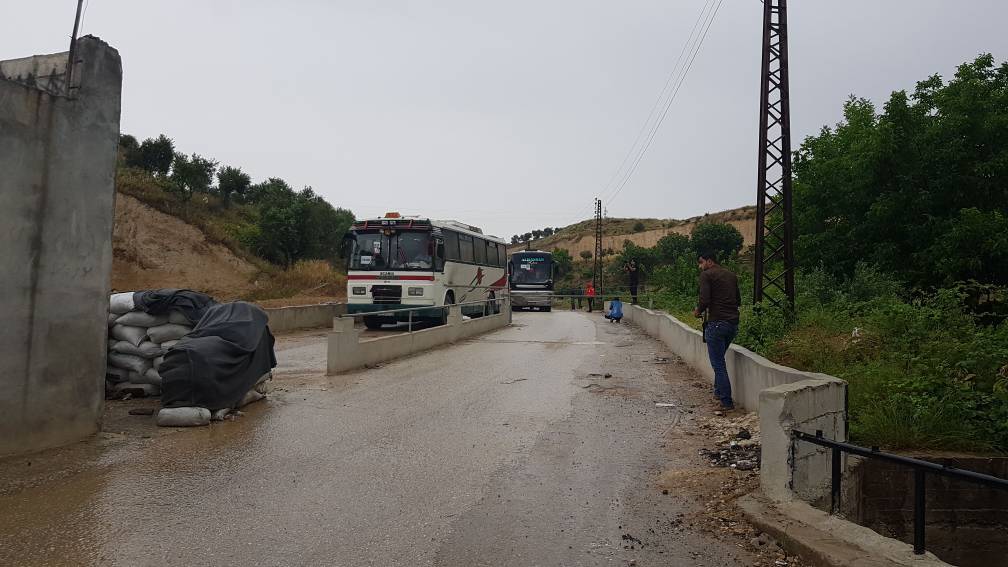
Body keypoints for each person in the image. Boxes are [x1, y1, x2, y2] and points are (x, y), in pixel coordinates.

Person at [692, 251, 741, 410]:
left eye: (701, 262)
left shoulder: (707, 275)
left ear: (709, 261)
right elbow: (738, 300)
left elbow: (704, 299)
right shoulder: (731, 275)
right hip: (732, 324)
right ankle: (718, 393)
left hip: (717, 324)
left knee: (718, 364)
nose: (700, 266)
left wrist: (698, 311)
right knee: (719, 359)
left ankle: (726, 402)